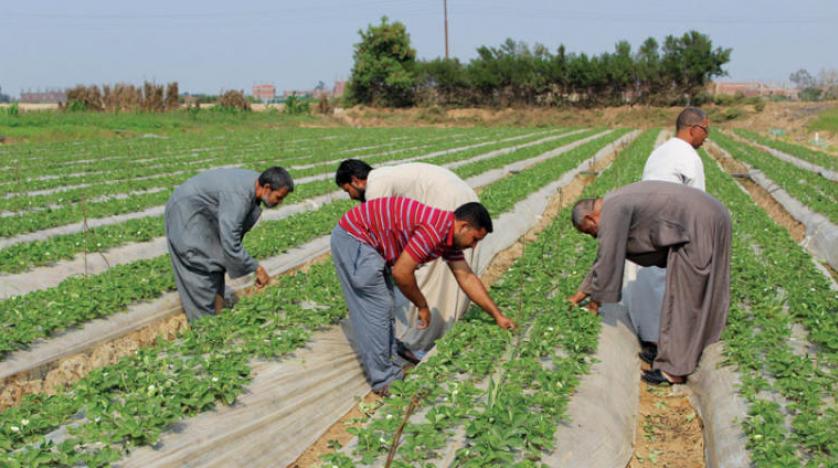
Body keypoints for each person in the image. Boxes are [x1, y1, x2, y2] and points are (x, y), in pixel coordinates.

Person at [331, 197, 515, 394]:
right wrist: (422, 305)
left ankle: (390, 363)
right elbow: (401, 273)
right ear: (464, 226)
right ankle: (384, 380)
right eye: (475, 239)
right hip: (355, 239)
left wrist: (498, 316)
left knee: (385, 305)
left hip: (370, 242)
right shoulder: (434, 229)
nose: (473, 246)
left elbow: (466, 277)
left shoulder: (448, 237)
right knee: (376, 309)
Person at [568, 181, 731, 385]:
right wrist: (578, 296)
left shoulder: (612, 211)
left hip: (699, 223)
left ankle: (673, 370)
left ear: (590, 217)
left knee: (685, 297)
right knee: (700, 291)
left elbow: (607, 258)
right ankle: (682, 354)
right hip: (709, 215)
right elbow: (604, 261)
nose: (594, 236)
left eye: (589, 231)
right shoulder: (616, 201)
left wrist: (594, 304)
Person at [334, 159, 483, 360]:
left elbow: (376, 228)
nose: (350, 197)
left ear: (356, 181)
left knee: (422, 274)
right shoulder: (385, 175)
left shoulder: (375, 186)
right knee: (434, 272)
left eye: (347, 190)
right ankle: (436, 330)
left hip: (447, 201)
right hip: (460, 196)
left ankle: (418, 340)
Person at [629, 107, 709, 364]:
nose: (706, 137)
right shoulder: (689, 157)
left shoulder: (659, 152)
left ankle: (651, 340)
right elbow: (697, 201)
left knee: (652, 281)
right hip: (673, 228)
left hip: (648, 224)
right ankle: (670, 351)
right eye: (705, 131)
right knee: (676, 284)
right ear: (693, 129)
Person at [164, 167, 294, 322]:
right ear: (266, 188)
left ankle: (217, 319)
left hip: (202, 214)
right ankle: (205, 328)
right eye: (278, 197)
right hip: (185, 213)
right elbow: (230, 241)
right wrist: (256, 268)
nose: (279, 203)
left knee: (218, 261)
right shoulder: (238, 197)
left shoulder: (254, 187)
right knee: (201, 266)